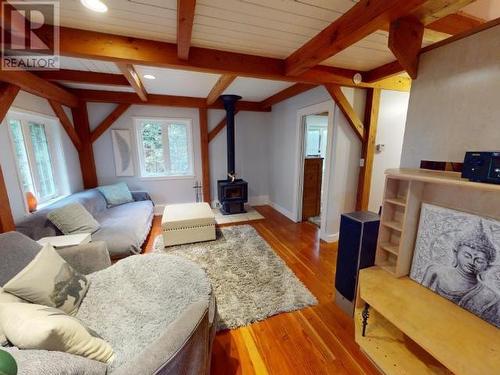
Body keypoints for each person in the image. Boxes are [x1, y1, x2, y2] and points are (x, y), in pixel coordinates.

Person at [421, 222, 500, 326]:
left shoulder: (491, 298)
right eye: (467, 255)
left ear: (487, 265)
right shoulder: (435, 272)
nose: (472, 262)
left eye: (479, 260)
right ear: (455, 253)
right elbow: (419, 299)